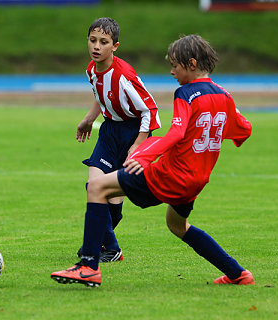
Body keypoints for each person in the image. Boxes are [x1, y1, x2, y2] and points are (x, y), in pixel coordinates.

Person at [51, 34, 254, 287]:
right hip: (198, 179)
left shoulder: (186, 93)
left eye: (175, 65)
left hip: (172, 174)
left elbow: (177, 133)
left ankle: (89, 266)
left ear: (191, 64)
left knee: (97, 186)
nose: (171, 71)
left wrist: (143, 154)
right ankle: (238, 273)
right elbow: (244, 128)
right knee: (177, 225)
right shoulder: (223, 95)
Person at [75, 17, 161, 263]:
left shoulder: (123, 75)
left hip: (134, 133)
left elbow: (150, 110)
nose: (96, 46)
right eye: (93, 40)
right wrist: (89, 118)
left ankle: (101, 244)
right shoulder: (92, 69)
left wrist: (138, 144)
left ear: (115, 46)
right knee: (94, 186)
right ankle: (110, 247)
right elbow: (99, 93)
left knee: (113, 198)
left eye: (104, 42)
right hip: (110, 132)